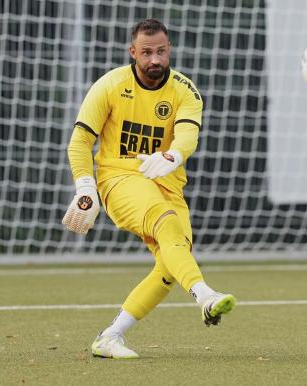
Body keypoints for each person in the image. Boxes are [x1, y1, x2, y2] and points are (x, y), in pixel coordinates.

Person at [61, 18, 236, 359]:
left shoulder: (185, 91)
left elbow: (188, 133)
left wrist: (174, 153)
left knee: (171, 264)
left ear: (169, 50)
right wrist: (85, 186)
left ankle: (109, 337)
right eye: (146, 52)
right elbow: (80, 141)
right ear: (133, 52)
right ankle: (205, 296)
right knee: (164, 220)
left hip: (167, 184)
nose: (155, 59)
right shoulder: (110, 85)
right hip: (119, 178)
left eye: (161, 52)